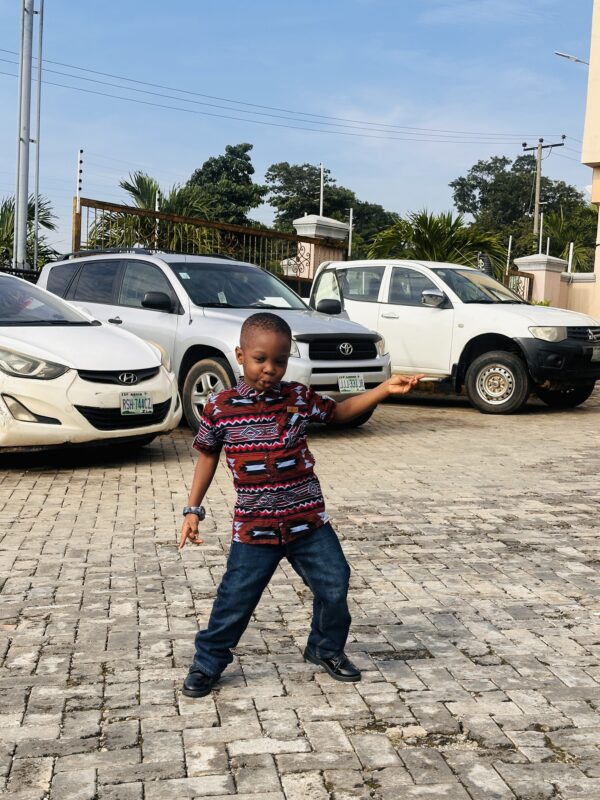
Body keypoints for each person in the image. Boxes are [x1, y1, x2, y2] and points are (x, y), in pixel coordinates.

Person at [179, 312, 422, 698]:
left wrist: (383, 390)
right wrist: (193, 510)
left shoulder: (297, 397)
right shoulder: (220, 406)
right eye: (260, 359)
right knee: (235, 599)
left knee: (335, 583)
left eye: (279, 361)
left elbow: (339, 412)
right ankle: (207, 663)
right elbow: (207, 455)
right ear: (240, 355)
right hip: (255, 528)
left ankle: (325, 648)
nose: (270, 369)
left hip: (308, 522)